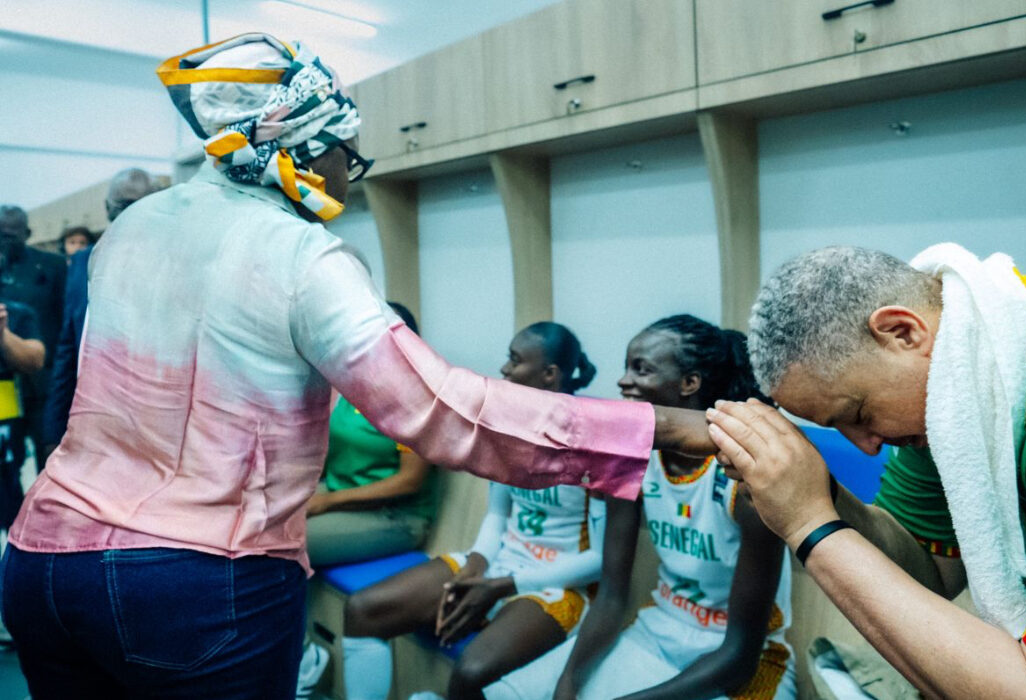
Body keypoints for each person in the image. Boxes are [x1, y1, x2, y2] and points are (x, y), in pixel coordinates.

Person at [0, 34, 710, 700]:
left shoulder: (130, 228)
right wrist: (660, 427)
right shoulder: (299, 253)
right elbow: (439, 410)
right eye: (349, 156)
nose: (349, 174)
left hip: (44, 561)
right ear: (310, 148)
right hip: (196, 581)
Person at [708, 244, 1026, 699]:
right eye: (837, 428)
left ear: (902, 331)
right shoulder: (963, 368)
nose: (867, 445)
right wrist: (812, 487)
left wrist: (809, 526)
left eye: (859, 413)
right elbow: (927, 569)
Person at [488, 315, 796, 700]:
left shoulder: (741, 477)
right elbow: (611, 597)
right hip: (657, 635)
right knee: (505, 695)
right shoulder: (628, 462)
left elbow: (739, 658)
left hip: (738, 663)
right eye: (626, 367)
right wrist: (567, 684)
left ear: (689, 383)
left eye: (641, 369)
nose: (623, 381)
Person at [343, 322, 603, 700]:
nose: (504, 369)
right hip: (498, 563)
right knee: (363, 610)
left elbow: (599, 559)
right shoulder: (510, 428)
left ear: (549, 374)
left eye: (515, 360)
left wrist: (502, 586)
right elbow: (498, 515)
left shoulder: (595, 445)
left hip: (557, 585)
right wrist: (478, 563)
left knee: (471, 672)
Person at [306, 302, 437, 568]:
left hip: (395, 516)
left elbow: (409, 481)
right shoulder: (355, 385)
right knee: (259, 520)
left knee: (286, 542)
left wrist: (327, 501)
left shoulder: (417, 400)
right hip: (339, 494)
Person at [41, 167, 158, 457]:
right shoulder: (83, 262)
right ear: (107, 208)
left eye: (141, 204)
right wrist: (53, 430)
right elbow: (68, 345)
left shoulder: (175, 261)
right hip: (92, 415)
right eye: (123, 205)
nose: (131, 213)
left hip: (152, 419)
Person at [0, 204, 66, 472]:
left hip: (44, 384)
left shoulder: (53, 266)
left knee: (49, 460)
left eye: (9, 235)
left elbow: (66, 322)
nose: (3, 241)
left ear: (26, 233)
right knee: (7, 466)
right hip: (5, 386)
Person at [0, 301, 45, 531]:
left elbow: (36, 358)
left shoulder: (16, 313)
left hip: (6, 430)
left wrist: (3, 334)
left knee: (8, 499)